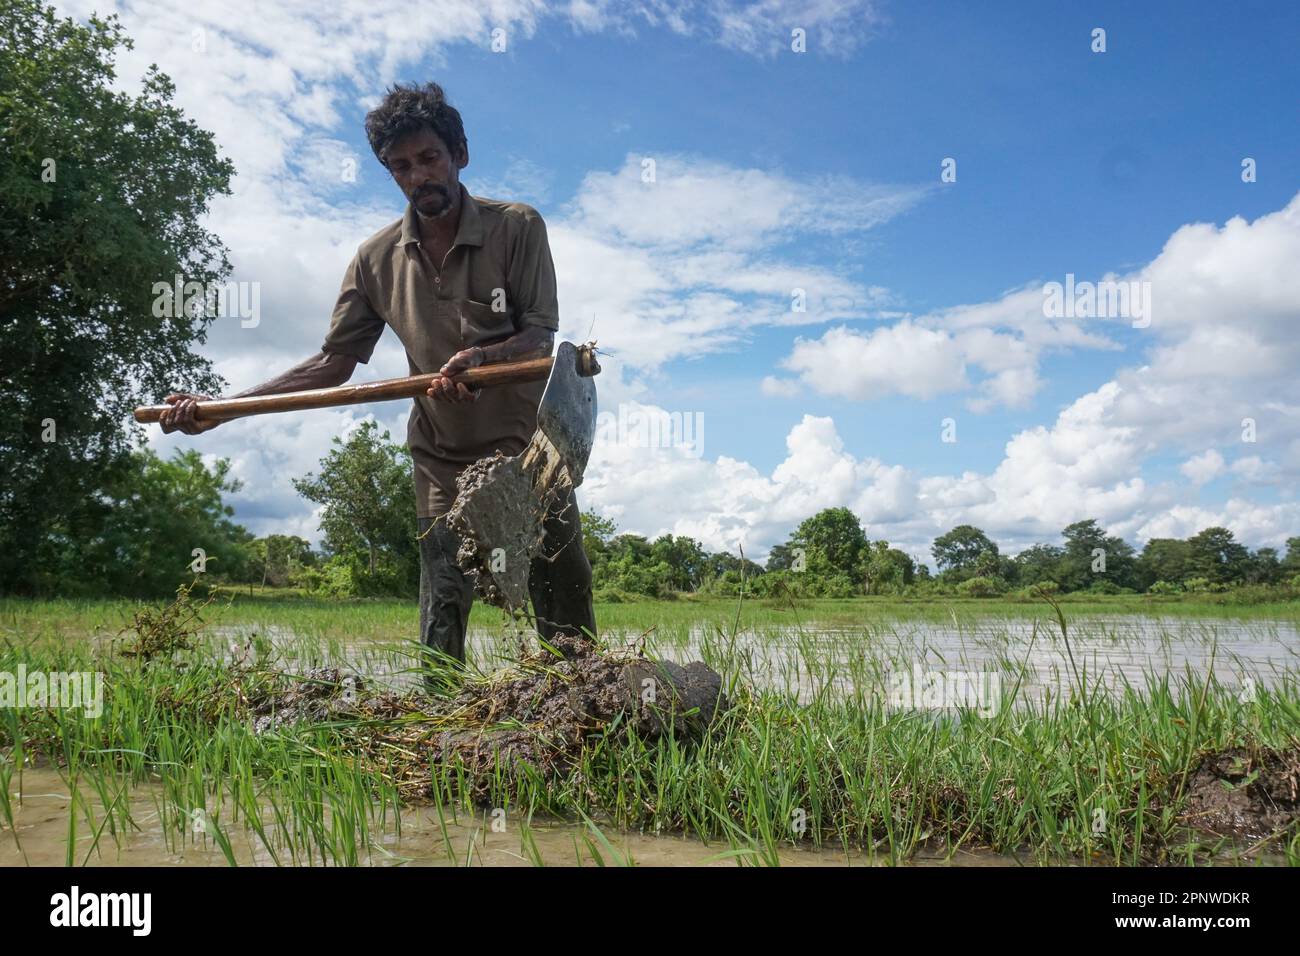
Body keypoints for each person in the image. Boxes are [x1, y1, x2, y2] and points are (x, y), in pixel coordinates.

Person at [160, 81, 597, 676]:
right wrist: (222, 408)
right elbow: (332, 365)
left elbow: (541, 336)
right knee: (442, 612)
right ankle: (445, 745)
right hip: (443, 458)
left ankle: (588, 725)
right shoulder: (375, 259)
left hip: (530, 451)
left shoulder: (516, 227)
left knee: (564, 601)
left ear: (459, 154)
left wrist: (481, 359)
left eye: (429, 159)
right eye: (401, 168)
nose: (419, 177)